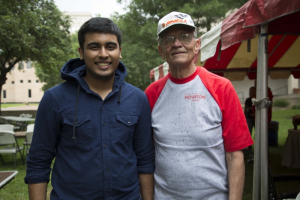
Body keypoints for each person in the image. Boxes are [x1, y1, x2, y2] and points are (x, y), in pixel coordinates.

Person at [25, 17, 155, 200]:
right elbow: (38, 162)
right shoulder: (54, 99)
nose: (103, 54)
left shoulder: (138, 99)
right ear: (81, 52)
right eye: (94, 47)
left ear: (120, 51)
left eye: (110, 46)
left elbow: (145, 161)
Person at [145, 11, 253, 199]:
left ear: (197, 46)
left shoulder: (222, 88)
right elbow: (145, 155)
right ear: (161, 50)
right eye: (169, 39)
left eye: (184, 37)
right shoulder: (151, 94)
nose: (177, 44)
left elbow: (235, 155)